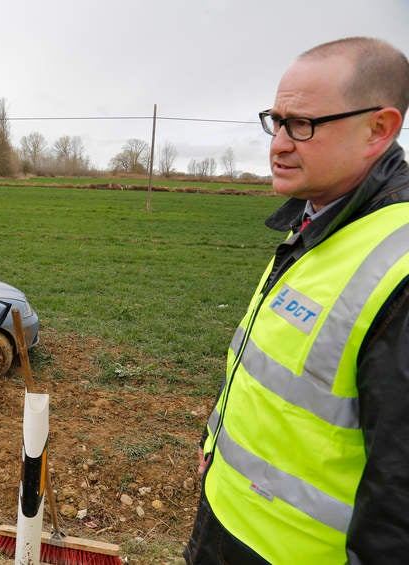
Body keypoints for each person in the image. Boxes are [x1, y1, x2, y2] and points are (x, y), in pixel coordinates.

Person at [184, 37, 409, 564]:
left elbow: (399, 505)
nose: (279, 144)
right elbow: (269, 369)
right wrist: (213, 440)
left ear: (379, 128)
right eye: (276, 121)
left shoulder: (399, 265)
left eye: (302, 125)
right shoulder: (315, 223)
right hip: (226, 521)